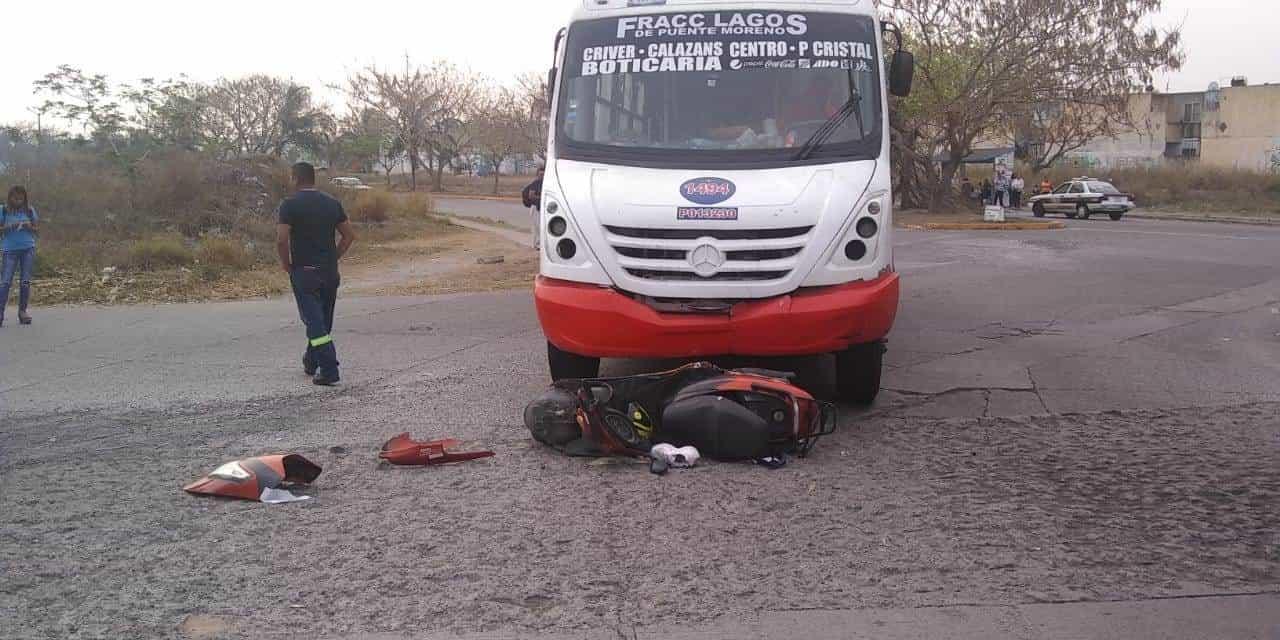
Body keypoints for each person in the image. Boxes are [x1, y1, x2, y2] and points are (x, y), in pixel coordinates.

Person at [276, 163, 356, 386]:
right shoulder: (332, 203)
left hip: (305, 272)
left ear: (295, 178)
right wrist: (334, 258)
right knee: (322, 321)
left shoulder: (289, 205)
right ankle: (311, 361)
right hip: (330, 272)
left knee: (315, 323)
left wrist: (286, 264)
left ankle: (329, 369)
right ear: (313, 178)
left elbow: (282, 239)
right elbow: (349, 236)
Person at [0, 186, 39, 327]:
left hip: (28, 249)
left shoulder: (29, 210)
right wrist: (9, 226)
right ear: (10, 197)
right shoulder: (3, 210)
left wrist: (29, 227)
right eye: (15, 198)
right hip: (9, 250)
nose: (18, 201)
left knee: (25, 281)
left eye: (21, 199)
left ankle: (22, 312)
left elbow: (36, 229)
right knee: (5, 282)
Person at [522, 167, 545, 250]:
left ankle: (537, 244)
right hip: (535, 208)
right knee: (537, 227)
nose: (542, 176)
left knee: (541, 227)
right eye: (540, 174)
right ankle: (537, 245)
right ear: (537, 175)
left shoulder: (545, 183)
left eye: (543, 174)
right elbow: (531, 196)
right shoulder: (535, 183)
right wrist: (541, 197)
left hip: (541, 208)